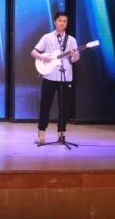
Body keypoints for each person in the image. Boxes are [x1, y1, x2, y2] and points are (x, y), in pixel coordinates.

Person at [31, 11, 80, 144]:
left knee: (64, 107)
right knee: (45, 105)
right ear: (54, 22)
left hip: (66, 77)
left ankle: (61, 133)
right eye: (59, 20)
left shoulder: (71, 40)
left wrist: (75, 56)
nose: (62, 23)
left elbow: (73, 60)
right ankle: (41, 133)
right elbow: (33, 52)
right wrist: (43, 57)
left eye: (64, 21)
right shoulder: (47, 37)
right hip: (50, 76)